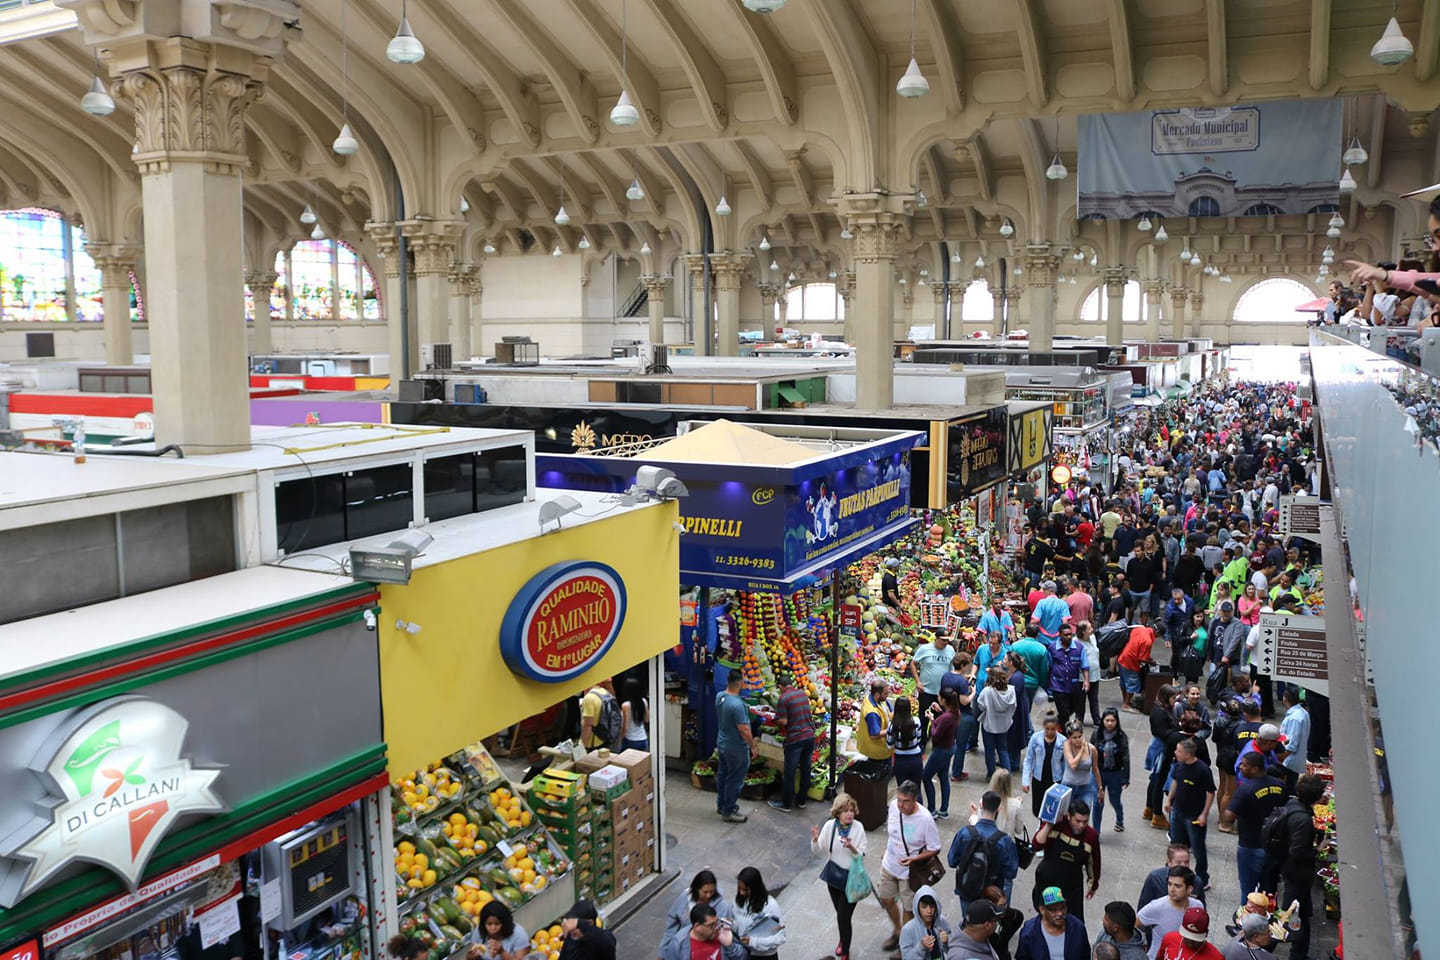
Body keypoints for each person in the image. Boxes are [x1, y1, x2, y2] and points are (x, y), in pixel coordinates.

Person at [878, 781, 942, 952]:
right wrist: (888, 849)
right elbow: (894, 833)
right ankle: (898, 930)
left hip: (909, 873)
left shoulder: (925, 819)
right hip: (889, 864)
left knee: (908, 909)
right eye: (899, 799)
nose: (901, 805)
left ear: (915, 800)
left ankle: (904, 944)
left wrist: (915, 859)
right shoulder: (893, 807)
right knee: (885, 898)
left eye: (905, 801)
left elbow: (935, 848)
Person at [1272, 774, 1326, 960]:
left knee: (1302, 913)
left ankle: (1299, 953)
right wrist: (1317, 849)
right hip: (1297, 873)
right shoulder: (1302, 818)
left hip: (1294, 871)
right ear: (1318, 797)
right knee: (1285, 915)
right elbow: (1297, 851)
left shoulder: (1293, 806)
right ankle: (1260, 948)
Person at [1221, 752, 1286, 897]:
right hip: (1273, 847)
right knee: (1269, 891)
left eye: (1244, 765)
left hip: (1250, 845)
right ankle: (1269, 917)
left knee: (1248, 890)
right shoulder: (1280, 786)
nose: (1240, 767)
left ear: (1255, 769)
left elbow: (1228, 818)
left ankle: (1246, 917)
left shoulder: (1245, 789)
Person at [811, 793, 868, 960]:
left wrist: (852, 847)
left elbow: (862, 854)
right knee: (841, 915)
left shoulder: (858, 828)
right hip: (834, 879)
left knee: (843, 916)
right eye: (845, 811)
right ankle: (843, 940)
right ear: (838, 812)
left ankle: (845, 953)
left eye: (851, 810)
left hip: (852, 880)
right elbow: (818, 849)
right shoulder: (830, 826)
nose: (849, 814)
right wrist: (815, 840)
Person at [1031, 801, 1101, 926]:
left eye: (1085, 821)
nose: (1081, 825)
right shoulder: (1056, 824)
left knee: (1074, 923)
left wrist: (1093, 885)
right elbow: (1036, 845)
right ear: (1068, 816)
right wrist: (1048, 825)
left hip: (1072, 887)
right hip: (1047, 882)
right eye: (1078, 821)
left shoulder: (1091, 837)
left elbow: (1094, 863)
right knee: (1047, 918)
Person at [949, 790, 1020, 911]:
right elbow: (1011, 872)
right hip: (991, 894)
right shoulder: (1004, 841)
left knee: (969, 924)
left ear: (981, 806)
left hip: (967, 889)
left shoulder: (965, 833)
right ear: (999, 809)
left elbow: (952, 861)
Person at [1164, 738, 1215, 892]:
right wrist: (1169, 800)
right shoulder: (1179, 765)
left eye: (1178, 751)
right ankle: (1175, 872)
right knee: (1176, 846)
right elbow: (1175, 781)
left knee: (1198, 848)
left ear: (1187, 754)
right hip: (1178, 811)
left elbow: (1210, 792)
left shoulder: (1202, 770)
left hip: (1194, 815)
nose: (1175, 752)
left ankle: (1202, 878)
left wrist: (1204, 814)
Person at [768, 673, 814, 813]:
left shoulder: (783, 698)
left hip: (795, 739)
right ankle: (801, 801)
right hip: (809, 735)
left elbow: (784, 721)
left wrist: (774, 719)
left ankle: (786, 804)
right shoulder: (802, 694)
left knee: (790, 772)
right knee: (806, 769)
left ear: (781, 687)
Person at [714, 672, 756, 823]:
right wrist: (753, 746)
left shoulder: (720, 696)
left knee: (724, 775)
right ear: (739, 683)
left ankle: (722, 805)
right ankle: (728, 811)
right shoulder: (738, 705)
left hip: (722, 743)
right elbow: (744, 729)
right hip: (736, 748)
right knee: (735, 779)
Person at [1136, 867, 1203, 959]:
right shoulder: (1156, 907)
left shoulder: (1197, 906)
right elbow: (1135, 923)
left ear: (1189, 889)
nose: (1171, 889)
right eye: (1170, 884)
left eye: (1177, 886)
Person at [663, 871, 735, 947]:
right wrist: (664, 949)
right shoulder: (685, 898)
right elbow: (672, 925)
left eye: (711, 891)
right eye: (705, 892)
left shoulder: (723, 907)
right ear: (697, 889)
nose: (708, 895)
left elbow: (726, 932)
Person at [1015, 887, 1089, 960]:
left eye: (1062, 908)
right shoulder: (1029, 933)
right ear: (1042, 910)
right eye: (1054, 910)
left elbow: (1086, 955)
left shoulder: (1078, 928)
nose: (1060, 913)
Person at [1144, 686, 1181, 829]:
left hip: (1161, 746)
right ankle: (1157, 814)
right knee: (1158, 780)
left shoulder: (1162, 709)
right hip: (1162, 748)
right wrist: (1178, 730)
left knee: (1155, 780)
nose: (1175, 701)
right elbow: (1162, 732)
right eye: (1173, 698)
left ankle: (1150, 808)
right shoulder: (1159, 712)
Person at [730, 867, 784, 960]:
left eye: (745, 890)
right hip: (744, 952)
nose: (741, 893)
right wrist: (730, 924)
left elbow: (780, 937)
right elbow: (738, 926)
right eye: (740, 888)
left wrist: (753, 941)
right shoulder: (739, 901)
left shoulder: (771, 905)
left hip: (764, 956)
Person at [659, 903, 746, 960]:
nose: (716, 927)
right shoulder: (679, 943)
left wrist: (730, 946)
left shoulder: (721, 934)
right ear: (697, 926)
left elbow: (742, 957)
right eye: (711, 925)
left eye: (716, 923)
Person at [1091, 708, 1130, 833]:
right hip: (1098, 773)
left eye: (1112, 720)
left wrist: (1125, 777)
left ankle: (1120, 819)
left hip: (1115, 774)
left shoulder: (1121, 737)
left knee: (1115, 801)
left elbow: (1125, 758)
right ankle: (1096, 831)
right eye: (1107, 720)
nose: (1109, 723)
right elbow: (1090, 752)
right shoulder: (1096, 734)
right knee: (1098, 804)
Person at [923, 689, 961, 818]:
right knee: (943, 777)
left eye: (940, 697)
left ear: (944, 700)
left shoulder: (946, 717)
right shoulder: (954, 713)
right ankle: (944, 809)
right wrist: (940, 711)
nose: (938, 698)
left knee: (926, 776)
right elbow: (946, 720)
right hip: (950, 747)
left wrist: (932, 719)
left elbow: (935, 735)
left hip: (941, 750)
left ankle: (932, 809)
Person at [911, 632, 953, 743]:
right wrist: (918, 681)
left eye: (947, 640)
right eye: (943, 640)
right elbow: (913, 663)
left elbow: (951, 668)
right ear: (936, 639)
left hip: (942, 693)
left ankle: (937, 741)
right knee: (923, 718)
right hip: (926, 690)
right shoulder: (924, 649)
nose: (945, 642)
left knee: (940, 719)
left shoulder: (950, 650)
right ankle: (922, 742)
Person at [1022, 713, 1065, 819]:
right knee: (1037, 809)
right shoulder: (1035, 738)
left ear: (1057, 728)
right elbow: (1028, 760)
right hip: (1039, 779)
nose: (1050, 732)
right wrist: (1025, 780)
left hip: (1055, 780)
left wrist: (1064, 783)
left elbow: (1065, 764)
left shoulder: (1063, 741)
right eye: (1047, 729)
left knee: (1052, 809)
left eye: (1053, 729)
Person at [1047, 623, 1091, 727]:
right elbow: (1049, 665)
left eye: (1070, 634)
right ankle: (1063, 733)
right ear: (1060, 635)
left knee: (1074, 708)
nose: (1068, 637)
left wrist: (1086, 681)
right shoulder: (1052, 648)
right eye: (1065, 635)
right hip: (1058, 685)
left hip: (1073, 686)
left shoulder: (1079, 648)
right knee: (1063, 712)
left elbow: (1085, 665)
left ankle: (1058, 724)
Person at [977, 667, 1018, 778]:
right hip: (1004, 725)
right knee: (1003, 749)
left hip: (989, 724)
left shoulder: (987, 691)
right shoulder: (1011, 690)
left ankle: (991, 773)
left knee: (989, 751)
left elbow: (981, 705)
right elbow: (1014, 706)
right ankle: (1007, 774)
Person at [1060, 719, 1102, 816]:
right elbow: (1073, 765)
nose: (1078, 740)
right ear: (1069, 738)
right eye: (1075, 737)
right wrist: (1081, 750)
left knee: (1084, 814)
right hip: (1068, 786)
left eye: (1080, 736)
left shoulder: (1091, 749)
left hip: (1085, 786)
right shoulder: (1067, 746)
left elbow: (1095, 769)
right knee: (1066, 815)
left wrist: (1100, 788)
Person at [899, 885, 953, 960]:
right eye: (924, 907)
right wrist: (921, 947)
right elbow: (906, 957)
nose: (929, 911)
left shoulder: (942, 921)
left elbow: (952, 949)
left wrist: (946, 942)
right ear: (917, 907)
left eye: (932, 906)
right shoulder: (908, 929)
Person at [1136, 845, 1196, 910]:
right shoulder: (1155, 878)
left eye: (1186, 862)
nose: (1183, 866)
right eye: (1179, 862)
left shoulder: (1196, 881)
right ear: (1169, 862)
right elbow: (1143, 906)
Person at [1116, 613, 1155, 712]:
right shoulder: (1148, 641)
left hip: (1122, 657)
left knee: (1124, 682)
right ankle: (1126, 705)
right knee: (1133, 683)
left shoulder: (1140, 629)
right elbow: (1142, 658)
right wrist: (1151, 661)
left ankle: (1126, 701)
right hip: (1130, 663)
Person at [1151, 907, 1222, 960]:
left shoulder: (1215, 957)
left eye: (1195, 939)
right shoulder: (1169, 938)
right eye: (1187, 937)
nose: (1190, 943)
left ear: (1206, 934)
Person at [1277, 688, 1310, 793]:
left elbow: (1291, 745)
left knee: (1288, 790)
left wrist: (1280, 759)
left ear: (1284, 699)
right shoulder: (1302, 713)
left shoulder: (1295, 718)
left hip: (1289, 763)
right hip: (1293, 761)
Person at [889, 696, 925, 786]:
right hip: (915, 758)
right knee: (916, 789)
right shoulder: (916, 721)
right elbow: (919, 738)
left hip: (900, 760)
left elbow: (889, 744)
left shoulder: (892, 725)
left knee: (902, 789)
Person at [858, 679, 895, 765]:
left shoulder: (878, 700)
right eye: (885, 693)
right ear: (877, 694)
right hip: (876, 752)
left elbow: (890, 711)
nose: (887, 696)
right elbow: (874, 735)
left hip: (883, 748)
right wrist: (892, 729)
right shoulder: (872, 713)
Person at [578, 681, 617, 751]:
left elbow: (587, 726)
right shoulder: (603, 691)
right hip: (604, 736)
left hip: (592, 742)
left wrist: (582, 747)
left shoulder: (589, 699)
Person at [619, 677, 649, 752]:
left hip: (631, 741)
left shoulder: (626, 706)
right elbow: (647, 719)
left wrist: (619, 739)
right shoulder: (644, 701)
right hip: (643, 739)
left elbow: (625, 728)